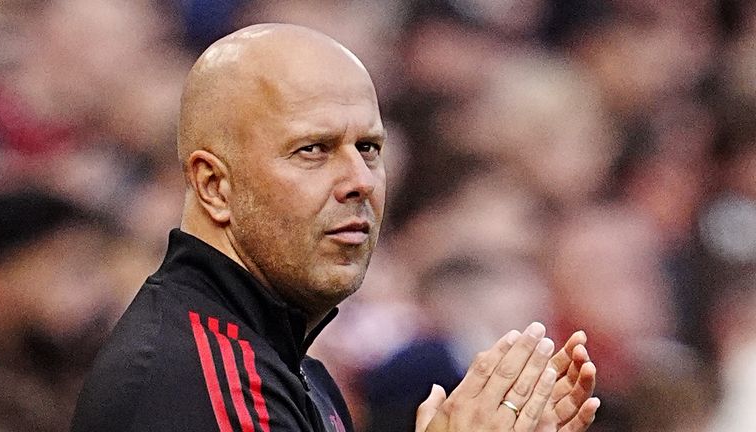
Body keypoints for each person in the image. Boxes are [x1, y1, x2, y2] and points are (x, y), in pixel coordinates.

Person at [70, 23, 599, 432]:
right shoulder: (202, 377)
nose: (359, 181)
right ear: (214, 185)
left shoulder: (286, 367)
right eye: (313, 150)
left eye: (369, 148)